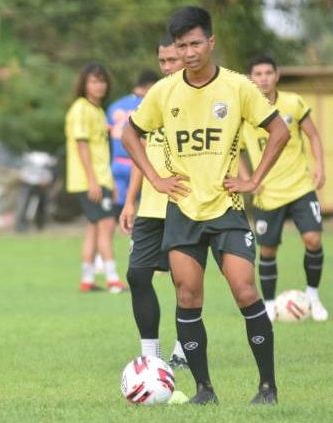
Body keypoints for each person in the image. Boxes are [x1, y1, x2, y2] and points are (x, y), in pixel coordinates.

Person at [122, 6, 290, 405]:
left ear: (210, 42)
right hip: (182, 210)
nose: (189, 52)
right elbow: (131, 134)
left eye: (196, 43)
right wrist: (155, 178)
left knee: (245, 290)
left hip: (227, 208)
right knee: (187, 296)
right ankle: (204, 391)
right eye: (182, 46)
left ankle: (267, 387)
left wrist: (254, 179)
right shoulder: (164, 91)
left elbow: (279, 129)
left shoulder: (237, 87)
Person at [239, 54, 328, 322]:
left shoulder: (293, 102)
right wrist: (249, 181)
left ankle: (312, 296)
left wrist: (320, 166)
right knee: (268, 250)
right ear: (250, 79)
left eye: (268, 72)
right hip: (268, 193)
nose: (264, 78)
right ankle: (268, 304)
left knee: (313, 239)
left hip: (300, 186)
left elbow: (313, 135)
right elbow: (236, 153)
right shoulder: (244, 113)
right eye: (258, 73)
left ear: (276, 75)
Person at [119, 34, 188, 369]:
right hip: (150, 205)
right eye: (162, 61)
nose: (166, 67)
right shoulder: (152, 100)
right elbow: (140, 151)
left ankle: (184, 349)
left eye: (171, 60)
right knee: (137, 275)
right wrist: (130, 201)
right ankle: (151, 353)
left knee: (185, 280)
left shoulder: (200, 99)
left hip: (186, 205)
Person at [65, 62, 126, 294]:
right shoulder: (80, 108)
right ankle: (112, 280)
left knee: (94, 227)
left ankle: (87, 280)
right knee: (107, 225)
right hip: (90, 180)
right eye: (93, 81)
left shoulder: (98, 111)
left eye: (102, 81)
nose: (99, 85)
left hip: (102, 178)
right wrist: (93, 181)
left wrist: (108, 181)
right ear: (84, 84)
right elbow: (82, 146)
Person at [107, 69, 160, 218]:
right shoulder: (148, 104)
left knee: (119, 209)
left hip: (116, 163)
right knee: (143, 209)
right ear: (150, 86)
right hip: (139, 162)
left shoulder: (114, 106)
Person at [15, 151, 56, 232]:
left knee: (42, 206)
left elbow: (52, 171)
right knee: (23, 205)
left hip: (42, 184)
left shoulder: (47, 157)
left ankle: (40, 226)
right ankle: (21, 227)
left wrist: (47, 180)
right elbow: (21, 169)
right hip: (27, 182)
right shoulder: (26, 155)